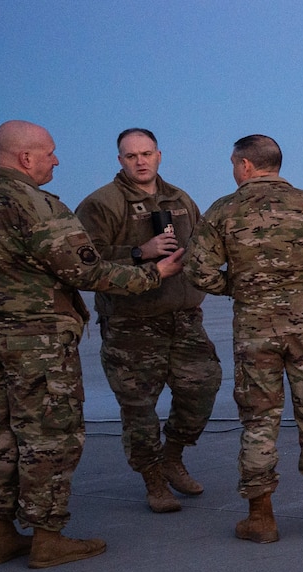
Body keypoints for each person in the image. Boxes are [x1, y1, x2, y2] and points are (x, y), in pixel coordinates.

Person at [0, 121, 174, 569]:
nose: (56, 161)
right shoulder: (36, 205)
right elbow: (87, 272)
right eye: (51, 153)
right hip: (36, 346)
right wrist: (154, 274)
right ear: (25, 158)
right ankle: (47, 536)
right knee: (47, 438)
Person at [188, 134, 303, 542]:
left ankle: (261, 517)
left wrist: (243, 286)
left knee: (258, 421)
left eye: (234, 164)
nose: (234, 171)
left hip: (254, 333)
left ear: (246, 166)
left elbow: (198, 271)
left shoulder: (224, 210)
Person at [77, 128, 223, 514]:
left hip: (184, 317)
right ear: (120, 160)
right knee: (139, 408)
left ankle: (172, 455)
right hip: (132, 322)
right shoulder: (101, 204)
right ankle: (154, 479)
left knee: (202, 389)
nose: (140, 161)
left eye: (146, 154)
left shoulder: (179, 198)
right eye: (131, 156)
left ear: (159, 155)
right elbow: (83, 264)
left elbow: (203, 243)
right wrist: (141, 251)